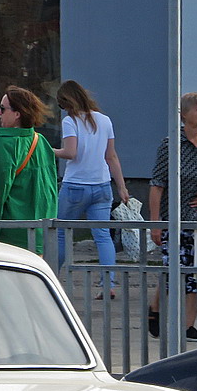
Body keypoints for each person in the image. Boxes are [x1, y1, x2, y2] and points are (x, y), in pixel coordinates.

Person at [147, 92, 197, 341]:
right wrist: (156, 224)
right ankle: (155, 308)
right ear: (184, 114)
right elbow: (157, 185)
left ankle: (188, 325)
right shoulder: (171, 144)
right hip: (175, 218)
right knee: (175, 270)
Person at [52, 80, 130, 296]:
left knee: (60, 233)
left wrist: (48, 150)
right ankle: (109, 284)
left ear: (66, 102)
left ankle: (51, 279)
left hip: (75, 185)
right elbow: (111, 156)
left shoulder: (71, 121)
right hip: (102, 186)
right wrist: (121, 187)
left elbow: (70, 153)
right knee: (103, 236)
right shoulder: (105, 121)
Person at [0, 86, 57, 253]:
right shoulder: (41, 141)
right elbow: (51, 189)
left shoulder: (4, 143)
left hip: (11, 234)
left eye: (3, 109)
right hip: (40, 230)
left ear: (17, 114)